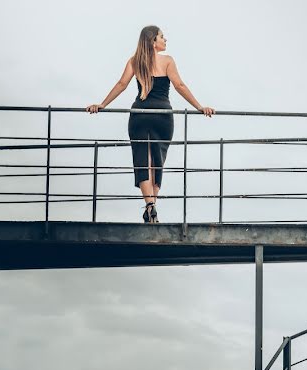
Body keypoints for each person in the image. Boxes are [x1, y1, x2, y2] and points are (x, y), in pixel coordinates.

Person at [86, 25, 214, 223]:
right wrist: (199, 107)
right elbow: (179, 85)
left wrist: (102, 104)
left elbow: (121, 84)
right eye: (162, 37)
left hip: (140, 115)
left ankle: (150, 206)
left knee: (142, 161)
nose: (165, 40)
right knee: (156, 162)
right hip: (162, 116)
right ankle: (153, 207)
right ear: (153, 41)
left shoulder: (135, 61)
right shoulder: (168, 61)